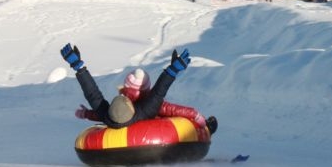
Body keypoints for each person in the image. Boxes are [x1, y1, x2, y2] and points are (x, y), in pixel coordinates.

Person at [60, 44, 198, 129]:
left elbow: (92, 94)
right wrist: (173, 70)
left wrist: (78, 67)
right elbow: (159, 91)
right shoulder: (145, 111)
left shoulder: (107, 116)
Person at [74, 67, 217, 134]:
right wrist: (201, 121)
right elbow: (176, 109)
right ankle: (207, 128)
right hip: (156, 134)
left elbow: (99, 107)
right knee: (173, 116)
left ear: (125, 87)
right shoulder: (150, 107)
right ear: (147, 89)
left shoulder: (120, 106)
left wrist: (86, 113)